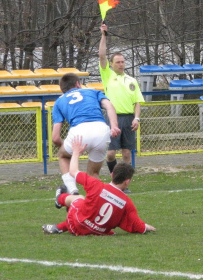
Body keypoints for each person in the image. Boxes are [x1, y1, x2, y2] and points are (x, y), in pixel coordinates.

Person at [42, 135, 156, 236]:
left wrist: (76, 152)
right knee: (88, 210)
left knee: (79, 199)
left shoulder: (96, 185)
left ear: (112, 175)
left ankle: (59, 200)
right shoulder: (127, 203)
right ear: (127, 182)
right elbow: (137, 225)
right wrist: (146, 227)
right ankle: (58, 227)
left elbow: (73, 171)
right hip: (98, 232)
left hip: (75, 224)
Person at [52, 73, 121, 197]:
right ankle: (97, 206)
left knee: (63, 156)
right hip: (101, 129)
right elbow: (109, 106)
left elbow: (55, 138)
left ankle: (72, 190)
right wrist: (114, 126)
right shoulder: (92, 91)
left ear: (62, 89)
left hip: (79, 131)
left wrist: (69, 149)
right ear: (78, 84)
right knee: (93, 174)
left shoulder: (59, 101)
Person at [99, 22, 145, 192]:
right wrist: (103, 36)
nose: (121, 64)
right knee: (111, 154)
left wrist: (137, 118)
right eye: (117, 62)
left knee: (127, 154)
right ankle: (114, 181)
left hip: (128, 119)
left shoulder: (132, 81)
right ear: (111, 64)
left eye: (122, 61)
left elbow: (137, 102)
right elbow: (102, 55)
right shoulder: (108, 76)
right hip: (113, 119)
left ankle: (124, 185)